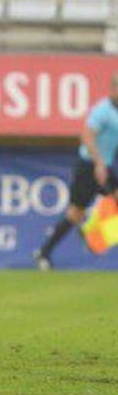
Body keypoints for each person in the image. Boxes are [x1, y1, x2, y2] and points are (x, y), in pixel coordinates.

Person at [34, 72, 118, 269]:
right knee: (75, 214)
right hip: (89, 166)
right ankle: (43, 253)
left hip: (105, 166)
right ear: (112, 89)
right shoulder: (102, 111)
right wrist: (98, 163)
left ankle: (90, 230)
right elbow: (87, 136)